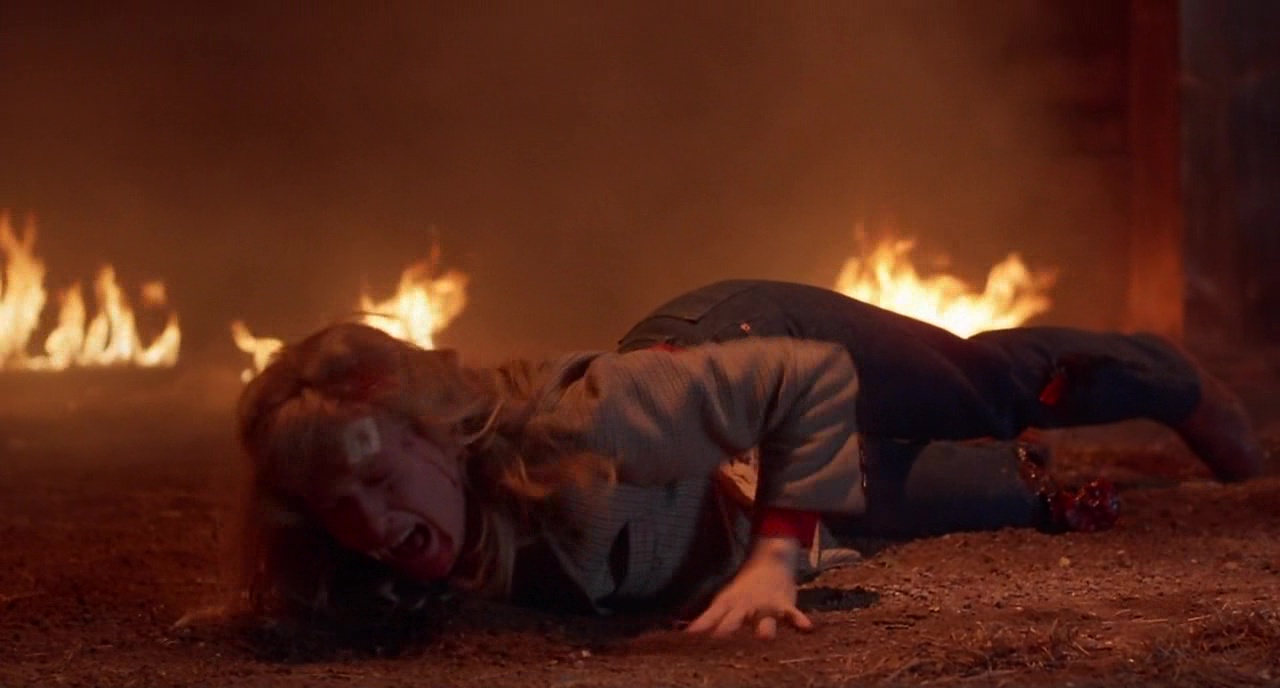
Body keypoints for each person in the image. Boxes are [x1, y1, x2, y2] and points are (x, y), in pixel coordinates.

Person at [233, 280, 1264, 645]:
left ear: (437, 434)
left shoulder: (588, 422)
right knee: (1016, 495)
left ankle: (1168, 379)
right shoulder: (371, 565)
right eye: (338, 505)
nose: (370, 523)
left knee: (980, 391)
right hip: (750, 484)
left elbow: (797, 384)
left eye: (381, 479)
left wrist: (774, 559)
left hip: (757, 353)